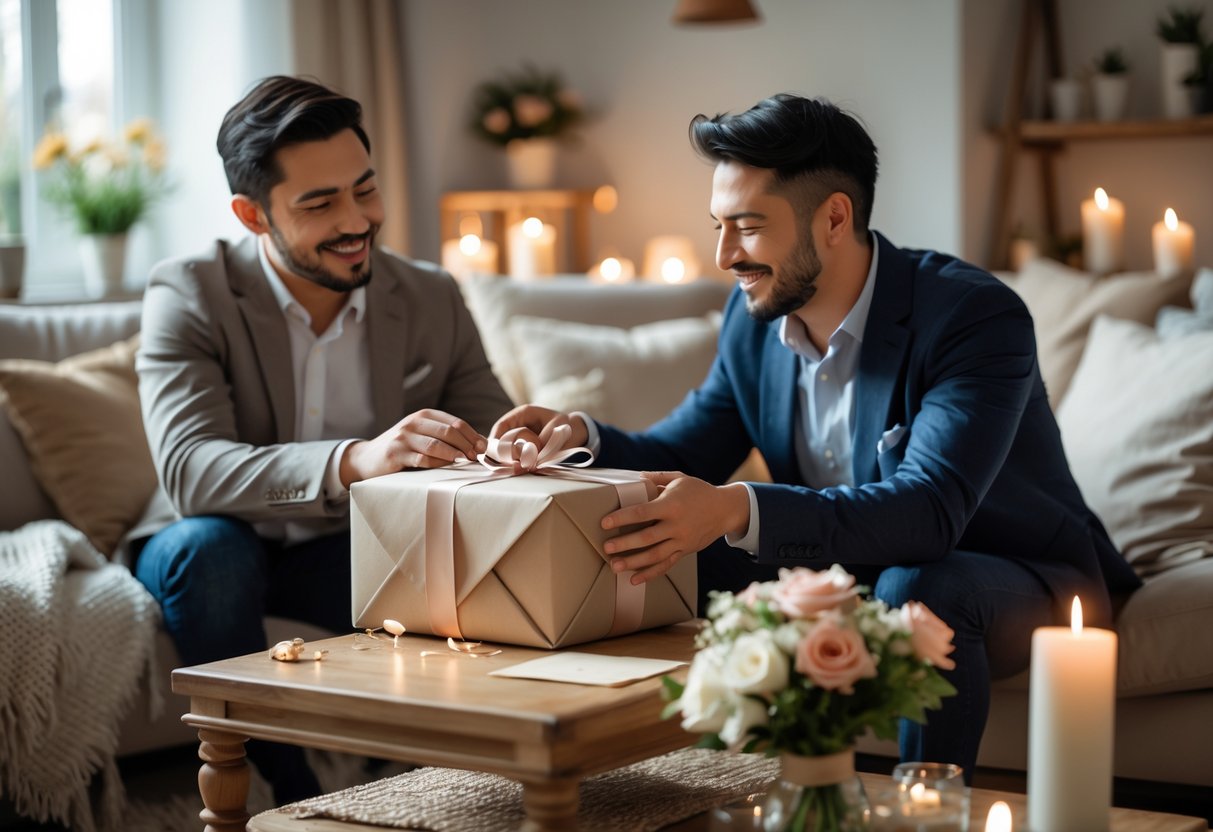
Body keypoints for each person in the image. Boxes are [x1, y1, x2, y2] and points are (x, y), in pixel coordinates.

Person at [492, 93, 1141, 777]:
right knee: (649, 543)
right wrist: (580, 437)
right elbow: (685, 453)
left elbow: (928, 512)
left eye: (745, 226)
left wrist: (736, 507)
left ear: (833, 217)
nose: (722, 254)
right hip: (849, 569)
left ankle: (923, 813)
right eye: (717, 225)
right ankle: (635, 783)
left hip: (1010, 574)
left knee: (923, 586)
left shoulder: (973, 317)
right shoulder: (752, 319)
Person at [131, 75, 512, 801]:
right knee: (209, 553)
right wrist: (354, 460)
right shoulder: (188, 292)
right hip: (210, 540)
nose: (357, 220)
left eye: (364, 190)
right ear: (251, 214)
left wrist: (525, 442)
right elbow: (190, 469)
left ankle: (475, 779)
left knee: (469, 567)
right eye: (320, 203)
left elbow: (489, 425)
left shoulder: (429, 293)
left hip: (349, 546)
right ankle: (293, 795)